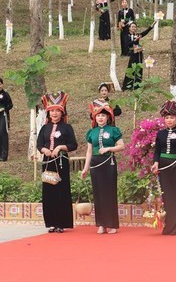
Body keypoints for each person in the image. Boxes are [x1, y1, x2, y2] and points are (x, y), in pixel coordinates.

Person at [81, 101, 124, 234]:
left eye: (103, 116)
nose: (100, 118)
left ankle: (111, 224)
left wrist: (109, 148)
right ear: (95, 117)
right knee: (98, 194)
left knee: (109, 193)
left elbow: (122, 146)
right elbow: (89, 151)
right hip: (95, 164)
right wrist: (85, 168)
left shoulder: (113, 130)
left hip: (108, 163)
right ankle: (101, 224)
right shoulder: (91, 132)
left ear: (108, 118)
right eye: (98, 116)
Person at [37, 92, 78, 233]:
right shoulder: (44, 128)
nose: (54, 113)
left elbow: (73, 145)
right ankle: (52, 223)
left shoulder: (67, 127)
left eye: (57, 111)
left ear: (62, 112)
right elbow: (39, 144)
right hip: (47, 162)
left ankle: (62, 223)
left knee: (61, 191)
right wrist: (44, 150)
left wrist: (60, 147)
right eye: (52, 111)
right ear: (48, 112)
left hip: (61, 162)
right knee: (48, 193)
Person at [151, 101, 176, 235]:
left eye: (172, 117)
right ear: (164, 119)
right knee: (166, 196)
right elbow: (156, 151)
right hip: (163, 167)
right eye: (167, 118)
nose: (169, 120)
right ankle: (168, 226)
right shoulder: (160, 134)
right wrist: (155, 163)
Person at [121, 21, 156, 91]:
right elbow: (127, 44)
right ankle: (128, 85)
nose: (134, 28)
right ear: (129, 28)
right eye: (132, 27)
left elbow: (144, 33)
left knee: (139, 67)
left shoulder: (137, 34)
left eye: (135, 27)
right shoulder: (126, 35)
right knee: (131, 67)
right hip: (132, 54)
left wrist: (151, 26)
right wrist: (135, 40)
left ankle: (137, 84)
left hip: (139, 53)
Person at [0, 78, 13, 161]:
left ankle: (4, 156)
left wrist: (4, 109)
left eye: (0, 84)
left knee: (2, 133)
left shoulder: (5, 94)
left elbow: (10, 105)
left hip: (3, 115)